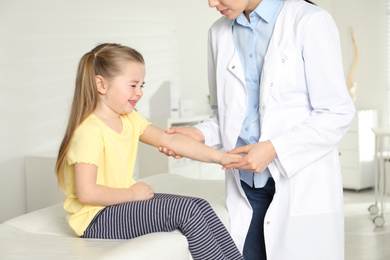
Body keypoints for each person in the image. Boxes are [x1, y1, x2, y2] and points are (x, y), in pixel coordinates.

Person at [159, 0, 356, 259]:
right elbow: (225, 114)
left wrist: (274, 149)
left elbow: (336, 112)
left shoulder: (309, 21)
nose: (210, 3)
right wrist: (200, 134)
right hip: (247, 187)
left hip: (299, 181)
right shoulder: (218, 33)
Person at [54, 43, 244, 260]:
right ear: (101, 84)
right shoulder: (89, 131)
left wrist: (222, 157)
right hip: (96, 218)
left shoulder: (129, 118)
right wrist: (132, 194)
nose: (140, 93)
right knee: (185, 211)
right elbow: (87, 193)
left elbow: (170, 140)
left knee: (198, 204)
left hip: (119, 205)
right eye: (133, 85)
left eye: (142, 85)